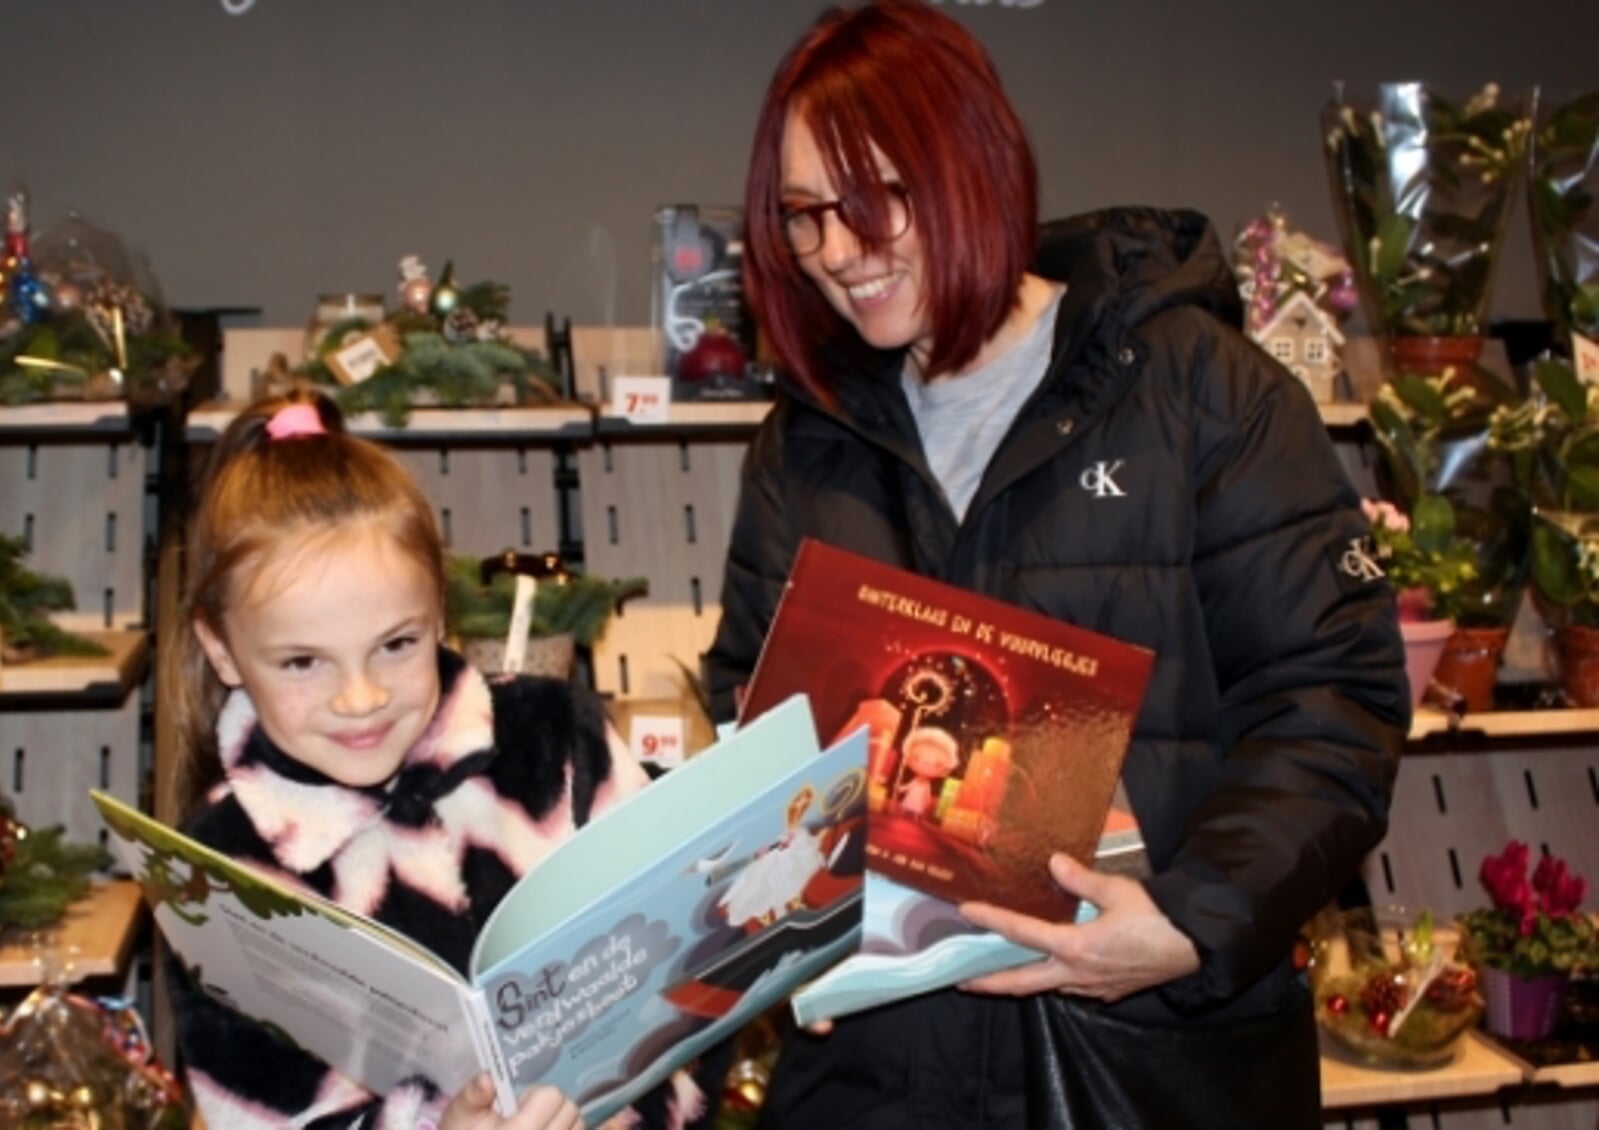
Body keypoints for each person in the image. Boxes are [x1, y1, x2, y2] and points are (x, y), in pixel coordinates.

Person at [705, 2, 1408, 1126]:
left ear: (967, 166)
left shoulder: (1194, 389)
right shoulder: (809, 436)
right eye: (802, 216)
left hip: (1145, 1060)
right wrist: (789, 920)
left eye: (872, 200)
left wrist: (1187, 921)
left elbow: (1333, 698)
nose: (836, 251)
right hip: (881, 1075)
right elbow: (749, 704)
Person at [170, 393, 706, 1130]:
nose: (360, 698)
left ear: (440, 616)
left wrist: (629, 1102)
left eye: (397, 645)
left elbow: (683, 973)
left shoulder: (554, 738)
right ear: (222, 650)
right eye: (302, 662)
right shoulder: (222, 873)